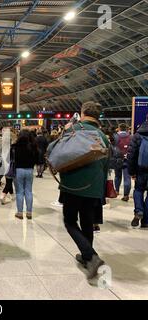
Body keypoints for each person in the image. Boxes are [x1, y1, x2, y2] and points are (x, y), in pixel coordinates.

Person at [59, 101, 109, 281]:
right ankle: (87, 258)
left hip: (73, 185)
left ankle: (91, 255)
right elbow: (106, 164)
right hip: (94, 187)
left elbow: (59, 153)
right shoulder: (102, 135)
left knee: (70, 221)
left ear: (83, 112)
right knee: (87, 221)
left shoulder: (73, 129)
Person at [12, 130, 39, 220]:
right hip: (30, 170)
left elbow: (9, 159)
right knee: (29, 191)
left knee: (19, 192)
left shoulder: (14, 147)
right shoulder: (33, 147)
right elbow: (37, 160)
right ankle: (29, 212)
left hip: (18, 170)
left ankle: (19, 212)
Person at [127, 115, 148, 229]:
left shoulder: (138, 135)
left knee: (138, 190)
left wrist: (131, 171)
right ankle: (146, 221)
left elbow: (131, 155)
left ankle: (139, 210)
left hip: (141, 169)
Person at [114, 123, 132, 201]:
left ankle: (117, 191)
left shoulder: (115, 136)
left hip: (117, 159)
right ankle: (126, 195)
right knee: (127, 178)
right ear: (127, 129)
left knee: (117, 176)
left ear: (119, 128)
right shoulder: (131, 137)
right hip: (128, 159)